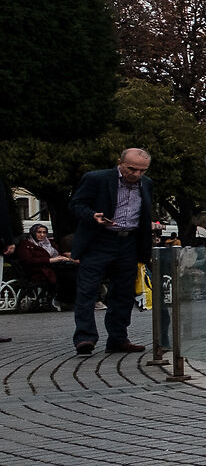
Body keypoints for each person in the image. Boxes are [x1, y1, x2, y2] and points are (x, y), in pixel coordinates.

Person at [70, 149, 155, 355]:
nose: (135, 174)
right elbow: (75, 204)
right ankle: (85, 337)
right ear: (120, 163)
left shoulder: (147, 184)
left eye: (141, 170)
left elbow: (144, 213)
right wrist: (92, 216)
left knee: (123, 293)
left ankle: (118, 338)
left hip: (128, 242)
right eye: (131, 169)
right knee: (88, 290)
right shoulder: (96, 179)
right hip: (100, 240)